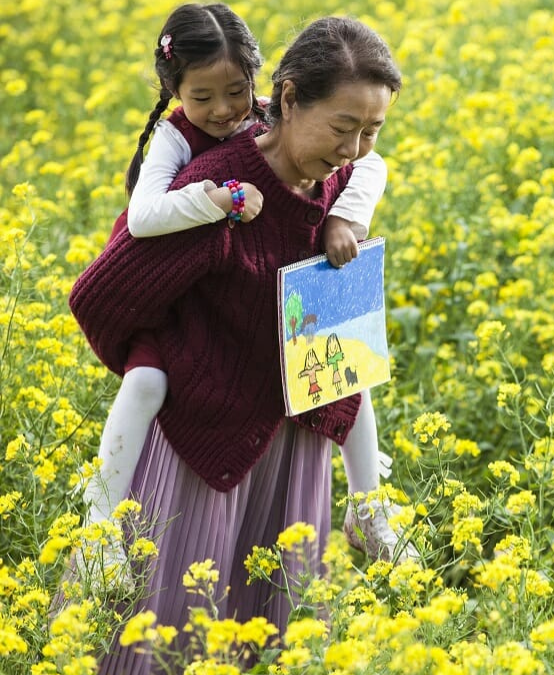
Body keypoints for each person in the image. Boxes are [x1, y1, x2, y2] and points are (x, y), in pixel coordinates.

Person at [69, 16, 406, 671]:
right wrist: (163, 358)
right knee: (171, 639)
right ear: (286, 98)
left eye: (372, 129)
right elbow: (106, 290)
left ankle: (373, 511)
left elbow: (364, 197)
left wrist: (345, 218)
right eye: (343, 128)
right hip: (206, 443)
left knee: (279, 635)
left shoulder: (342, 182)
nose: (357, 146)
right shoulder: (220, 189)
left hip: (298, 442)